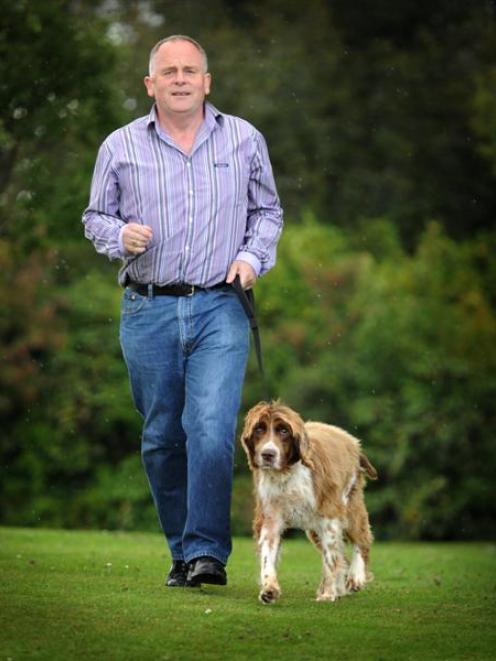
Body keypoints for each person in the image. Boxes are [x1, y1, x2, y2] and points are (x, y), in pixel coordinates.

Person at [82, 35, 283, 588]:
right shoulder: (120, 146)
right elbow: (94, 217)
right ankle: (182, 551)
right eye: (167, 71)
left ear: (206, 81)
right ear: (150, 84)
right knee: (162, 437)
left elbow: (268, 211)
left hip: (222, 304)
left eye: (189, 70)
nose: (179, 78)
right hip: (147, 310)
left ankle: (207, 555)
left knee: (213, 429)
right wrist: (119, 235)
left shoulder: (244, 139)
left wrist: (250, 257)